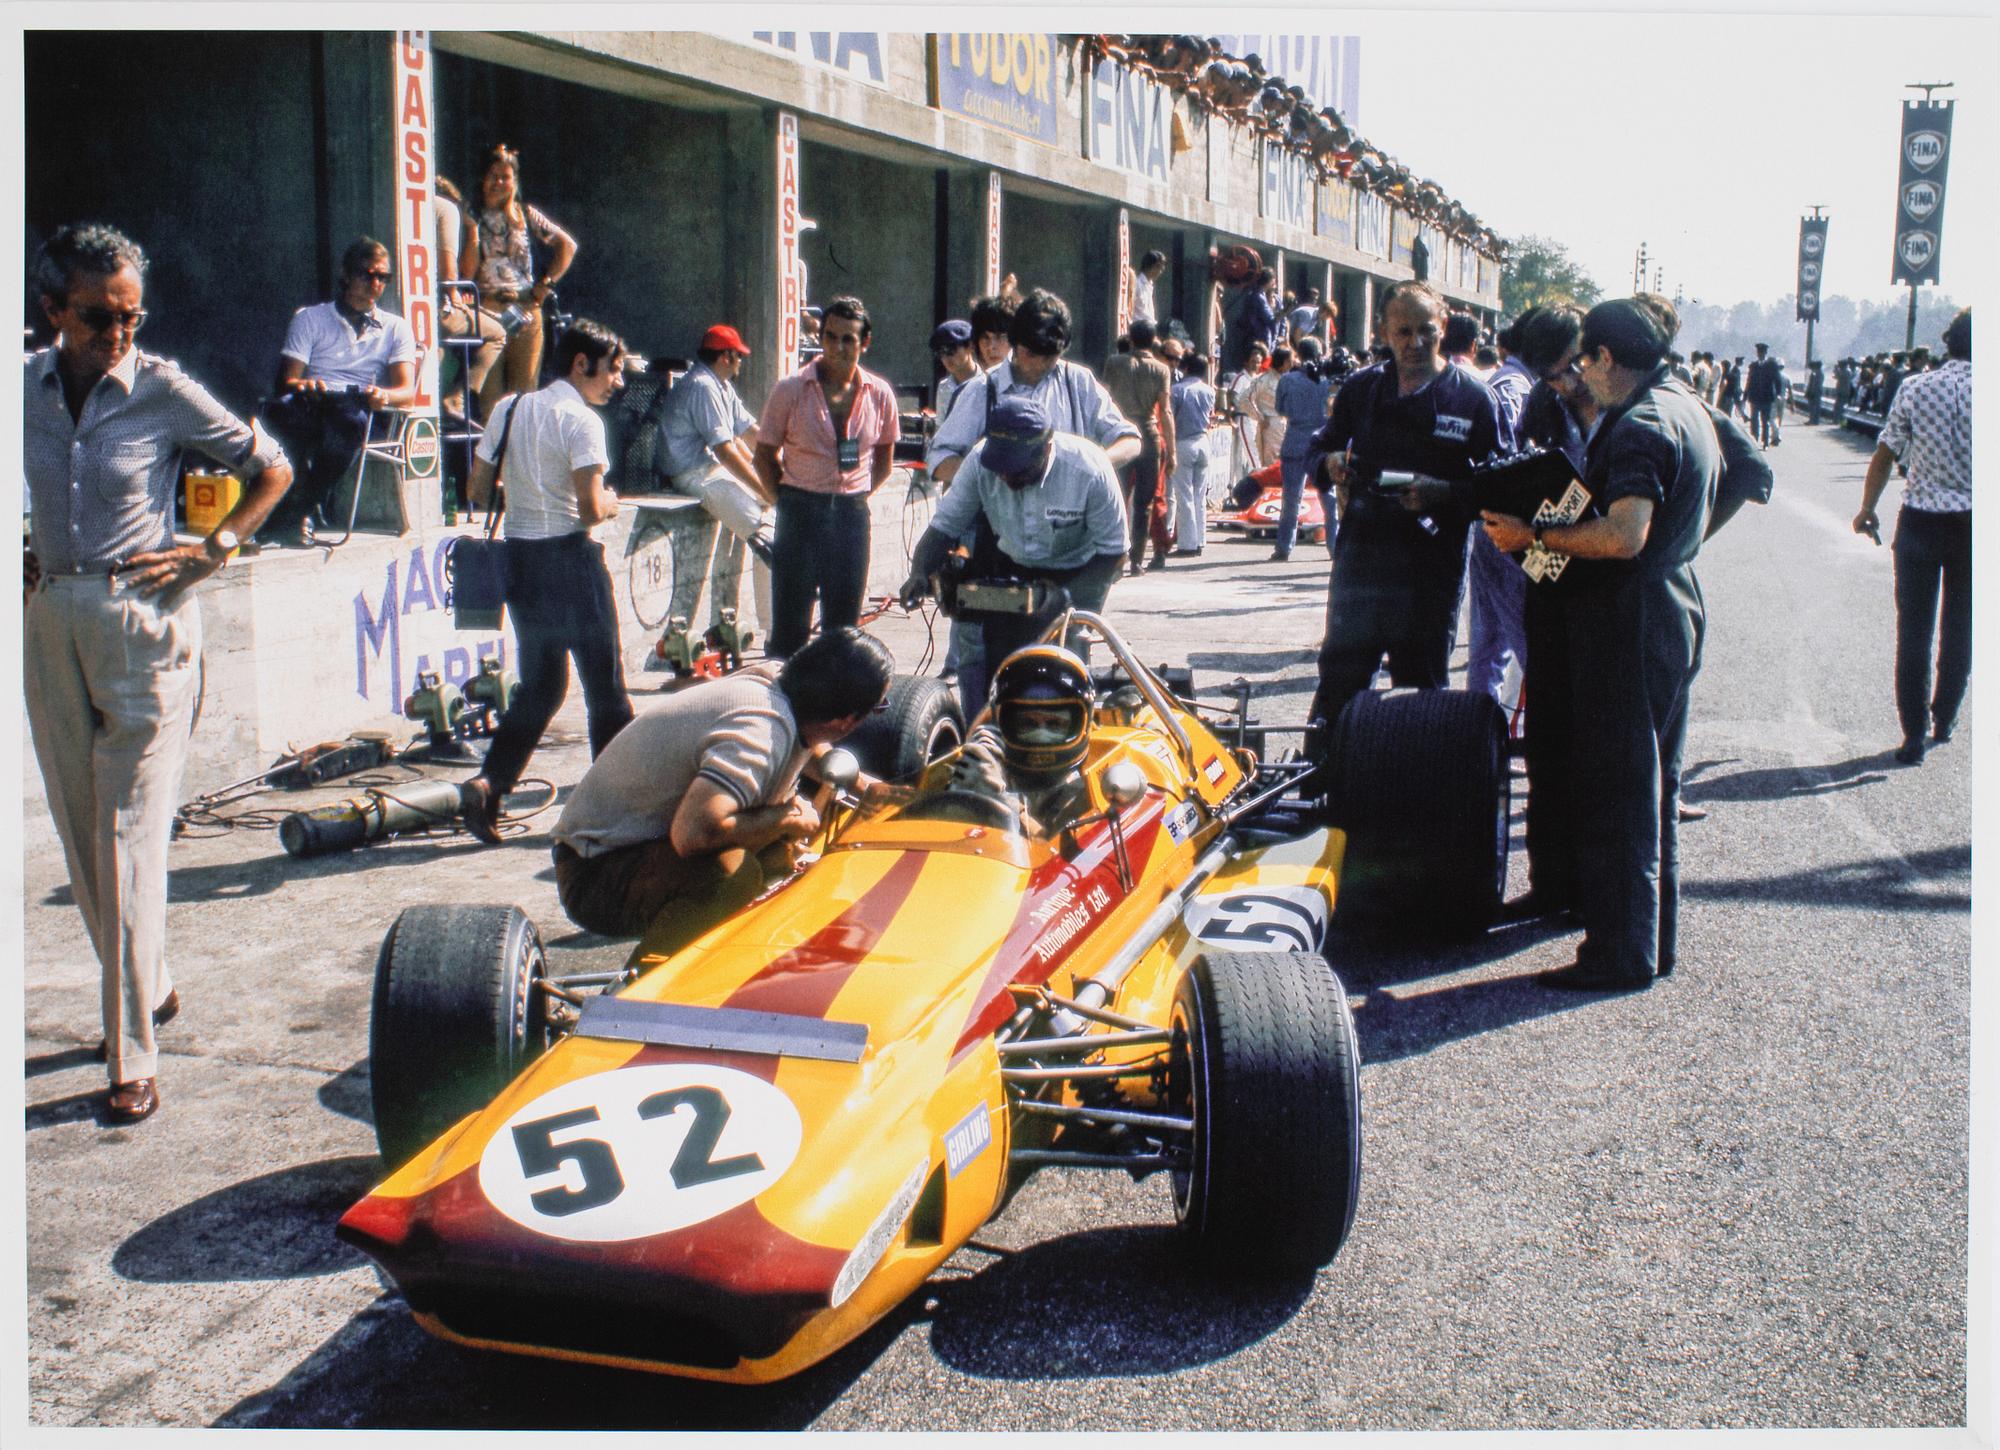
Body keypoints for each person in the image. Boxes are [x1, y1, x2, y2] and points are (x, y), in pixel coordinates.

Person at [25, 223, 295, 1122]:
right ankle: (153, 982)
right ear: (53, 309)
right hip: (51, 616)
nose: (118, 336)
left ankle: (130, 1053)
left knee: (128, 839)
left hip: (145, 624)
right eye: (100, 317)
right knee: (79, 833)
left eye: (131, 317)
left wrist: (211, 550)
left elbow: (271, 467)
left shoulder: (163, 387)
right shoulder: (22, 385)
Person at [1480, 297, 1718, 992]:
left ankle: (1618, 953)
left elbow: (1624, 534)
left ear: (1609, 358)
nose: (1581, 373)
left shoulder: (1641, 424)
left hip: (1629, 616)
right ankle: (1651, 941)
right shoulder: (1686, 404)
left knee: (1620, 793)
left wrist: (1536, 539)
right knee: (1654, 785)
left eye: (1587, 360)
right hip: (1670, 602)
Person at [550, 627, 896, 945]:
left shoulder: (779, 683)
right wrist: (787, 819)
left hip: (625, 846)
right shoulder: (758, 734)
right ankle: (663, 986)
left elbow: (812, 742)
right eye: (878, 707)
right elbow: (694, 833)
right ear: (846, 720)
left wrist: (866, 787)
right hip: (593, 875)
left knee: (782, 862)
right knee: (733, 875)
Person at [458, 319, 635, 841]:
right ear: (582, 364)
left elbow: (475, 488)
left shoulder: (508, 408)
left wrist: (528, 492)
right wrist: (611, 501)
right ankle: (615, 807)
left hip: (522, 563)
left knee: (541, 687)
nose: (618, 382)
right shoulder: (581, 422)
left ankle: (491, 783)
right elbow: (588, 508)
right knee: (606, 692)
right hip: (572, 563)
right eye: (613, 370)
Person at [1303, 281, 1504, 729]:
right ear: (1384, 332)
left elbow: (1500, 486)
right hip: (1362, 561)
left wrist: (1444, 492)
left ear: (1444, 328)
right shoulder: (1361, 388)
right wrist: (1331, 464)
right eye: (1403, 332)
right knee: (1340, 684)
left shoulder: (1473, 398)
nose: (1415, 343)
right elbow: (1316, 451)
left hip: (1430, 569)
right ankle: (1324, 787)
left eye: (1426, 331)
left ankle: (1418, 793)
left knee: (1422, 694)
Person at [901, 393, 1128, 680]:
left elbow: (1115, 553)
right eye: (1001, 467)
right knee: (1004, 672)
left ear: (1046, 448)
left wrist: (1065, 600)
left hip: (1078, 571)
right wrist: (919, 571)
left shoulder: (1089, 470)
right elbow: (944, 527)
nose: (1006, 477)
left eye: (1016, 468)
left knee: (1063, 668)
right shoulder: (978, 463)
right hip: (1012, 567)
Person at [1852, 308, 1971, 766]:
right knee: (1962, 628)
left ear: (1948, 343)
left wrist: (1867, 509)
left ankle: (1913, 735)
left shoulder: (1917, 387)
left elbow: (1885, 455)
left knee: (1914, 631)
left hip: (1920, 520)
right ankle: (1945, 717)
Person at [755, 294, 900, 656]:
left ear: (864, 343)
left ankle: (835, 707)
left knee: (843, 631)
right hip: (799, 512)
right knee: (790, 629)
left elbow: (883, 459)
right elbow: (764, 455)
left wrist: (855, 497)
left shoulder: (879, 394)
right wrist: (785, 501)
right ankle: (786, 708)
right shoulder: (790, 389)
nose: (838, 347)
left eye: (848, 338)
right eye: (831, 337)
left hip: (850, 517)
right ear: (821, 339)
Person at [258, 237, 418, 547]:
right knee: (277, 413)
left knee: (348, 423)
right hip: (317, 400)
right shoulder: (311, 318)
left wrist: (384, 395)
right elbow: (286, 382)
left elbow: (407, 392)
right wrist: (305, 385)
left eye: (383, 277)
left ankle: (292, 515)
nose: (375, 283)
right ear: (345, 275)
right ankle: (295, 515)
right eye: (366, 274)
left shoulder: (396, 327)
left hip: (360, 405)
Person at [925, 288, 1139, 489]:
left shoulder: (1078, 382)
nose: (1040, 364)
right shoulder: (982, 389)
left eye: (1050, 357)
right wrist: (991, 474)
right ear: (1016, 344)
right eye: (1031, 354)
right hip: (999, 523)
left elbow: (1129, 440)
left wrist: (1094, 465)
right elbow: (937, 459)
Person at [657, 323, 773, 639]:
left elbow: (751, 433)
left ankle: (770, 623)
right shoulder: (702, 386)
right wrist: (766, 488)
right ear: (724, 356)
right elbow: (726, 452)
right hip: (692, 473)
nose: (741, 362)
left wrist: (779, 466)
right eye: (738, 356)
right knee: (766, 535)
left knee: (774, 517)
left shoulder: (720, 384)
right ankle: (775, 630)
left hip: (710, 469)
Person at [461, 143, 577, 418]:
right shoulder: (471, 213)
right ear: (482, 178)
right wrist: (473, 229)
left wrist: (545, 284)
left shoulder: (526, 215)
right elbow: (467, 269)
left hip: (525, 307)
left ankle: (520, 459)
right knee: (490, 400)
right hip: (487, 309)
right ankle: (494, 459)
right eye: (493, 175)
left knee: (524, 397)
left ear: (514, 180)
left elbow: (567, 246)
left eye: (505, 176)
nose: (499, 182)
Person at [934, 645, 1097, 836]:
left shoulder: (1095, 792)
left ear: (1083, 725)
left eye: (1054, 725)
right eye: (1028, 723)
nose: (1040, 736)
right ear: (1002, 723)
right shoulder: (982, 768)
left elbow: (1054, 854)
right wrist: (959, 791)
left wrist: (998, 800)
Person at [1465, 309, 1542, 705]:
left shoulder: (1515, 383)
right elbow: (1503, 460)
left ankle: (1481, 732)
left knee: (1490, 642)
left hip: (1495, 527)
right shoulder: (1515, 388)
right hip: (1506, 530)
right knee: (1522, 640)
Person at [1102, 319, 1178, 573]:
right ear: (1153, 340)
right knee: (1145, 503)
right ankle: (1136, 560)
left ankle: (1115, 557)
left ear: (1131, 339)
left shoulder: (1115, 363)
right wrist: (1173, 451)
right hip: (1149, 434)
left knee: (1117, 499)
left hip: (1120, 434)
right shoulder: (1161, 369)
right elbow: (1165, 411)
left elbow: (1105, 398)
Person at [434, 176, 505, 423]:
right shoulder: (446, 209)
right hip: (438, 310)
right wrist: (455, 297)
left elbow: (467, 271)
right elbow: (451, 273)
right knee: (496, 332)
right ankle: (457, 396)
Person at [1271, 337, 1332, 561]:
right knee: (1328, 496)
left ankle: (1284, 547)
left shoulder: (1287, 379)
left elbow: (1280, 409)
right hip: (1321, 439)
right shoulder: (1327, 379)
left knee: (1291, 498)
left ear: (1298, 353)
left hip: (1295, 438)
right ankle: (1334, 547)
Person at [1167, 354, 1217, 555]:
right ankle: (1200, 540)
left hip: (1183, 442)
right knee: (1199, 494)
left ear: (1186, 368)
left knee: (1184, 495)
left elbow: (1171, 417)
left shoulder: (1177, 391)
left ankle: (1187, 544)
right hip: (1203, 441)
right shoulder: (1209, 391)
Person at [1245, 342, 1290, 467]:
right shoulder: (1264, 379)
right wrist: (1259, 417)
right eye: (1289, 361)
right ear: (1283, 362)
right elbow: (1245, 399)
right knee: (1271, 465)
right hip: (1270, 426)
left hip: (1284, 424)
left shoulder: (1285, 380)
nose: (1291, 364)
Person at [931, 318, 979, 421]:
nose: (946, 358)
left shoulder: (988, 382)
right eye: (940, 352)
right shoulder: (944, 387)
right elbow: (941, 427)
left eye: (951, 350)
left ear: (970, 346)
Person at [1744, 343, 1781, 446]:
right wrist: (1745, 395)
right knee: (1754, 420)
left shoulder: (1772, 365)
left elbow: (1777, 380)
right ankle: (1754, 440)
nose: (1761, 355)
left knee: (1765, 421)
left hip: (1767, 398)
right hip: (1754, 397)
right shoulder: (1753, 366)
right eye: (1759, 353)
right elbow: (1749, 381)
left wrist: (1778, 394)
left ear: (1766, 353)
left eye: (1762, 353)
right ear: (1757, 354)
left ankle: (1765, 442)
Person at [1129, 249, 1166, 329]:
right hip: (1138, 330)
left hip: (1150, 330)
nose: (1160, 271)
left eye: (1162, 267)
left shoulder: (1150, 286)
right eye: (1158, 266)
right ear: (1148, 265)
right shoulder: (1137, 284)